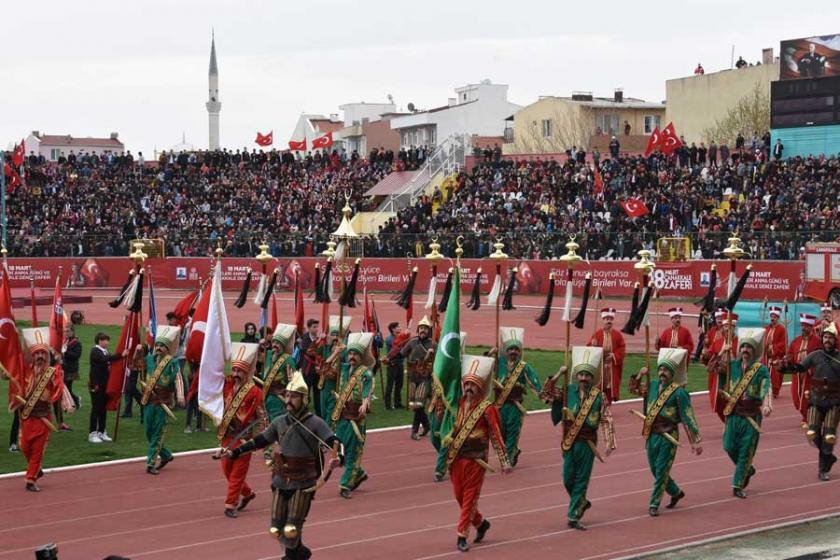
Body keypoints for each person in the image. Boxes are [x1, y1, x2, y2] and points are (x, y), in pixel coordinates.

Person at [226, 371, 340, 560]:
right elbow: (260, 440)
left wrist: (338, 458)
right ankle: (300, 552)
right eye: (287, 395)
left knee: (292, 526)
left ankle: (291, 556)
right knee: (276, 528)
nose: (288, 399)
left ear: (304, 399)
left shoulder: (315, 423)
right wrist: (235, 452)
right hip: (280, 480)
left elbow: (334, 442)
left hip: (303, 481)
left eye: (293, 396)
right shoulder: (280, 422)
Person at [541, 346, 614, 530]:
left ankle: (573, 515)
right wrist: (558, 374)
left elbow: (606, 418)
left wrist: (609, 441)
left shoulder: (599, 396)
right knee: (567, 478)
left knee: (582, 479)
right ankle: (581, 501)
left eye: (587, 375)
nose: (583, 378)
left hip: (588, 444)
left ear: (592, 378)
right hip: (569, 442)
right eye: (580, 374)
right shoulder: (567, 391)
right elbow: (545, 395)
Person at [444, 354, 511, 551]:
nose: (469, 388)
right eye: (467, 384)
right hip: (457, 457)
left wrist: (504, 460)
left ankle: (461, 536)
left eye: (473, 385)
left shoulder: (487, 408)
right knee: (458, 496)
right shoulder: (460, 403)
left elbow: (496, 434)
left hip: (476, 460)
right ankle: (481, 523)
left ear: (480, 387)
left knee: (469, 499)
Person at [628, 348, 702, 516]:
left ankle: (654, 503)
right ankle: (675, 492)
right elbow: (633, 390)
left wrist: (695, 440)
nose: (662, 372)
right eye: (661, 369)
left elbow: (687, 417)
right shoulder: (652, 385)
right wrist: (640, 375)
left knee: (661, 470)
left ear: (672, 373)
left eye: (666, 370)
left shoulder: (679, 393)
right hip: (652, 433)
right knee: (655, 469)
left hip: (669, 435)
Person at [15, 328, 75, 491]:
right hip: (27, 416)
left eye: (43, 354)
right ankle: (36, 470)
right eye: (37, 354)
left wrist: (65, 402)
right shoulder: (25, 370)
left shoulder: (52, 372)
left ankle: (31, 479)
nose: (40, 357)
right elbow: (12, 373)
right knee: (25, 446)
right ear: (32, 356)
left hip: (43, 417)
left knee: (37, 450)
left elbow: (60, 387)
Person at [214, 342, 267, 518]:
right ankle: (248, 493)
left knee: (237, 473)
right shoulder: (228, 385)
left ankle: (230, 504)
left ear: (247, 373)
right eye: (234, 370)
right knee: (227, 471)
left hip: (244, 439)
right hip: (227, 436)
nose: (236, 374)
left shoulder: (255, 392)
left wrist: (263, 438)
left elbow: (262, 416)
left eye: (240, 371)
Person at [719, 328, 771, 498]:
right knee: (728, 446)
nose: (745, 350)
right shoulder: (731, 365)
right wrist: (722, 352)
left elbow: (766, 387)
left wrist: (766, 404)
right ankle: (748, 469)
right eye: (743, 347)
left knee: (745, 451)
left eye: (749, 347)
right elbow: (712, 368)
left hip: (751, 416)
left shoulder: (760, 369)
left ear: (754, 351)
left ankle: (738, 484)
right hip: (734, 413)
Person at [786, 322, 840, 481]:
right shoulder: (815, 355)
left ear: (835, 339)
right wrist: (784, 367)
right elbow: (799, 368)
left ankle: (823, 468)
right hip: (816, 399)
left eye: (830, 337)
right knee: (812, 433)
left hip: (834, 401)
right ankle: (827, 456)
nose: (827, 340)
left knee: (829, 435)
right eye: (825, 337)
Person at [134, 325, 185, 475]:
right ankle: (166, 455)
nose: (159, 348)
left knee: (157, 433)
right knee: (149, 432)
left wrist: (180, 395)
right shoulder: (148, 359)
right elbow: (136, 366)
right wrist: (137, 352)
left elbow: (178, 378)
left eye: (162, 346)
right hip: (149, 400)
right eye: (157, 345)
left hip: (163, 402)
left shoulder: (172, 363)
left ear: (168, 348)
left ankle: (151, 463)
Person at [331, 332, 375, 499]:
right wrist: (336, 352)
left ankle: (344, 484)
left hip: (356, 417)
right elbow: (326, 369)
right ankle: (359, 473)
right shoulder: (343, 368)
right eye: (350, 353)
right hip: (342, 414)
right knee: (339, 449)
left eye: (355, 353)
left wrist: (365, 403)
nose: (352, 356)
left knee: (352, 453)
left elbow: (366, 391)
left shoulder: (366, 373)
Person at [492, 327, 543, 467]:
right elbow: (485, 370)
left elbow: (533, 381)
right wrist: (491, 354)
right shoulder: (498, 362)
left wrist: (541, 393)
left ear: (519, 352)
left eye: (516, 349)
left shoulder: (524, 367)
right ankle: (513, 451)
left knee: (512, 433)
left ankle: (506, 461)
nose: (513, 351)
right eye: (510, 349)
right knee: (499, 435)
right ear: (506, 351)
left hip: (515, 406)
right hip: (499, 406)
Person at [782, 313, 821, 424]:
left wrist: (812, 368)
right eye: (802, 325)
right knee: (796, 397)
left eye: (806, 326)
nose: (803, 328)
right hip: (797, 373)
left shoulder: (817, 341)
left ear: (811, 327)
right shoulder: (796, 340)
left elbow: (820, 358)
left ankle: (807, 417)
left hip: (810, 375)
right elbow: (790, 353)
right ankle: (806, 415)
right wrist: (787, 359)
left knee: (807, 396)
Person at [401, 316, 436, 440]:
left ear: (429, 331)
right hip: (412, 377)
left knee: (418, 404)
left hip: (424, 378)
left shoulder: (433, 345)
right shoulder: (412, 342)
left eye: (425, 328)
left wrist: (431, 357)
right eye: (421, 328)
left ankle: (414, 431)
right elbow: (401, 354)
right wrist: (389, 360)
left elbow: (438, 363)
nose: (423, 330)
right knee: (413, 405)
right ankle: (426, 426)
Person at [88, 333, 124, 443]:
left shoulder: (106, 351)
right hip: (97, 385)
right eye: (105, 340)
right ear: (99, 340)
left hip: (105, 385)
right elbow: (105, 359)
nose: (107, 342)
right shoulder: (95, 351)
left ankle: (101, 431)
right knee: (96, 409)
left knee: (103, 409)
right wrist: (120, 355)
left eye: (108, 340)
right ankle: (92, 433)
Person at [703, 311, 738, 422]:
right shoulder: (718, 342)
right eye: (726, 326)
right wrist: (720, 352)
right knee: (719, 402)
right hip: (719, 378)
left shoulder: (739, 342)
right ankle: (726, 421)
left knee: (734, 400)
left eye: (730, 326)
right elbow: (709, 361)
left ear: (734, 327)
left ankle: (731, 422)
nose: (727, 329)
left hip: (734, 377)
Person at [587, 308, 626, 401]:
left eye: (610, 319)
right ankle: (596, 405)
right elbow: (588, 349)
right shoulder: (597, 334)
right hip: (600, 365)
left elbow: (622, 348)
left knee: (609, 386)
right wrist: (592, 345)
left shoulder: (618, 335)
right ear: (603, 320)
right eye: (606, 319)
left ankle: (607, 407)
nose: (609, 321)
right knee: (598, 385)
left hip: (611, 365)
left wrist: (613, 356)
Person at [261, 323, 298, 421]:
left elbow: (292, 380)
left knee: (276, 421)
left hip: (279, 397)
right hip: (267, 394)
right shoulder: (269, 354)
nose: (275, 345)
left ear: (283, 345)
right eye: (274, 342)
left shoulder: (288, 359)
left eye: (278, 343)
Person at [319, 316, 350, 422]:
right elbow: (310, 351)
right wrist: (320, 339)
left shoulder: (345, 351)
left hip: (334, 386)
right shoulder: (326, 348)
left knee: (330, 413)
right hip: (324, 386)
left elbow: (347, 368)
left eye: (337, 335)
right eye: (333, 334)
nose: (335, 337)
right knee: (323, 412)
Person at [298, 319, 322, 416]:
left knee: (318, 393)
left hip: (317, 371)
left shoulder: (318, 338)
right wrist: (319, 343)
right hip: (307, 370)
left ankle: (319, 413)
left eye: (317, 327)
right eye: (314, 327)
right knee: (306, 392)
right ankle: (304, 412)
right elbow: (309, 351)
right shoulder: (305, 339)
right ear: (309, 328)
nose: (316, 329)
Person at [763, 306, 788, 399]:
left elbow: (783, 343)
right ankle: (765, 390)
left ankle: (774, 391)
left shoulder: (782, 329)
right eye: (771, 316)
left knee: (775, 374)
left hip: (776, 356)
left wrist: (773, 348)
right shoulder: (766, 328)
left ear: (778, 317)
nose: (772, 318)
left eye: (774, 316)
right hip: (766, 356)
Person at [382, 321, 406, 410]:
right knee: (390, 386)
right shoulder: (390, 339)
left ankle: (397, 403)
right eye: (398, 327)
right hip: (392, 365)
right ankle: (387, 405)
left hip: (399, 364)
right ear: (393, 329)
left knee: (399, 385)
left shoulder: (400, 337)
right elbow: (396, 351)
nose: (400, 328)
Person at [61, 325, 82, 410]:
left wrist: (65, 352)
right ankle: (68, 403)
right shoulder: (65, 341)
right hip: (64, 368)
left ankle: (75, 401)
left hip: (71, 369)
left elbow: (76, 355)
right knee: (64, 387)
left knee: (67, 388)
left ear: (72, 332)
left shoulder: (76, 343)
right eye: (65, 331)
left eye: (68, 331)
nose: (66, 333)